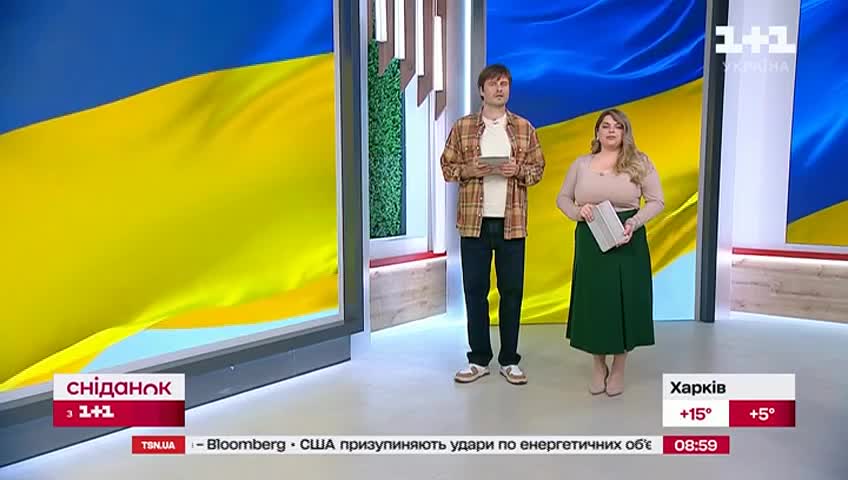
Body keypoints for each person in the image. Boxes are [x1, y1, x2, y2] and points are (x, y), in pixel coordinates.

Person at [440, 64, 546, 385]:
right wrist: (469, 170)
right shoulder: (463, 127)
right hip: (474, 224)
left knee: (512, 292)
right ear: (481, 91)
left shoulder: (524, 128)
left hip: (512, 224)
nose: (500, 89)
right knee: (475, 292)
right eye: (493, 84)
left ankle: (510, 360)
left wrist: (518, 171)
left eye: (504, 84)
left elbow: (538, 169)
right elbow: (447, 167)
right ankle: (478, 359)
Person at [555, 108, 664, 397]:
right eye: (605, 126)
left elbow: (657, 201)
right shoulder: (581, 164)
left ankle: (618, 368)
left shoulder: (640, 162)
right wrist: (578, 212)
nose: (611, 130)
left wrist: (634, 222)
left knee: (623, 302)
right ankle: (598, 365)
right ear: (597, 132)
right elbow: (562, 198)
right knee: (595, 303)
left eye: (617, 126)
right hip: (591, 239)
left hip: (627, 238)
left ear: (625, 131)